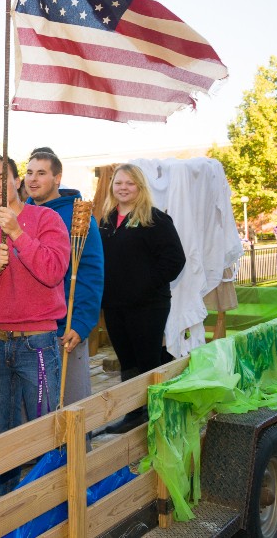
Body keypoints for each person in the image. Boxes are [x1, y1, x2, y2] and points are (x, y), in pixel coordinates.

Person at [0, 154, 70, 497]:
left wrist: (19, 234)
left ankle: (52, 498)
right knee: (3, 431)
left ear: (17, 181)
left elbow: (53, 270)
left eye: (1, 178)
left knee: (45, 427)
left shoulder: (46, 218)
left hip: (37, 342)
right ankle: (9, 504)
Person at [99, 164, 186, 433]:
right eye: (118, 182)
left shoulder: (155, 219)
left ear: (140, 187)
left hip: (148, 305)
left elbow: (175, 260)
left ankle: (156, 412)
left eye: (130, 183)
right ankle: (134, 412)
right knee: (127, 360)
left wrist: (145, 286)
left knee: (147, 359)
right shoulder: (105, 221)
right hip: (115, 305)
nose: (123, 187)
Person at [25, 149, 104, 407]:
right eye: (29, 172)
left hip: (64, 327)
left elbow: (91, 272)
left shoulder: (77, 216)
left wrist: (81, 323)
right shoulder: (21, 215)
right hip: (28, 329)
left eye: (41, 173)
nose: (33, 179)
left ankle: (77, 449)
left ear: (57, 178)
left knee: (71, 405)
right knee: (35, 409)